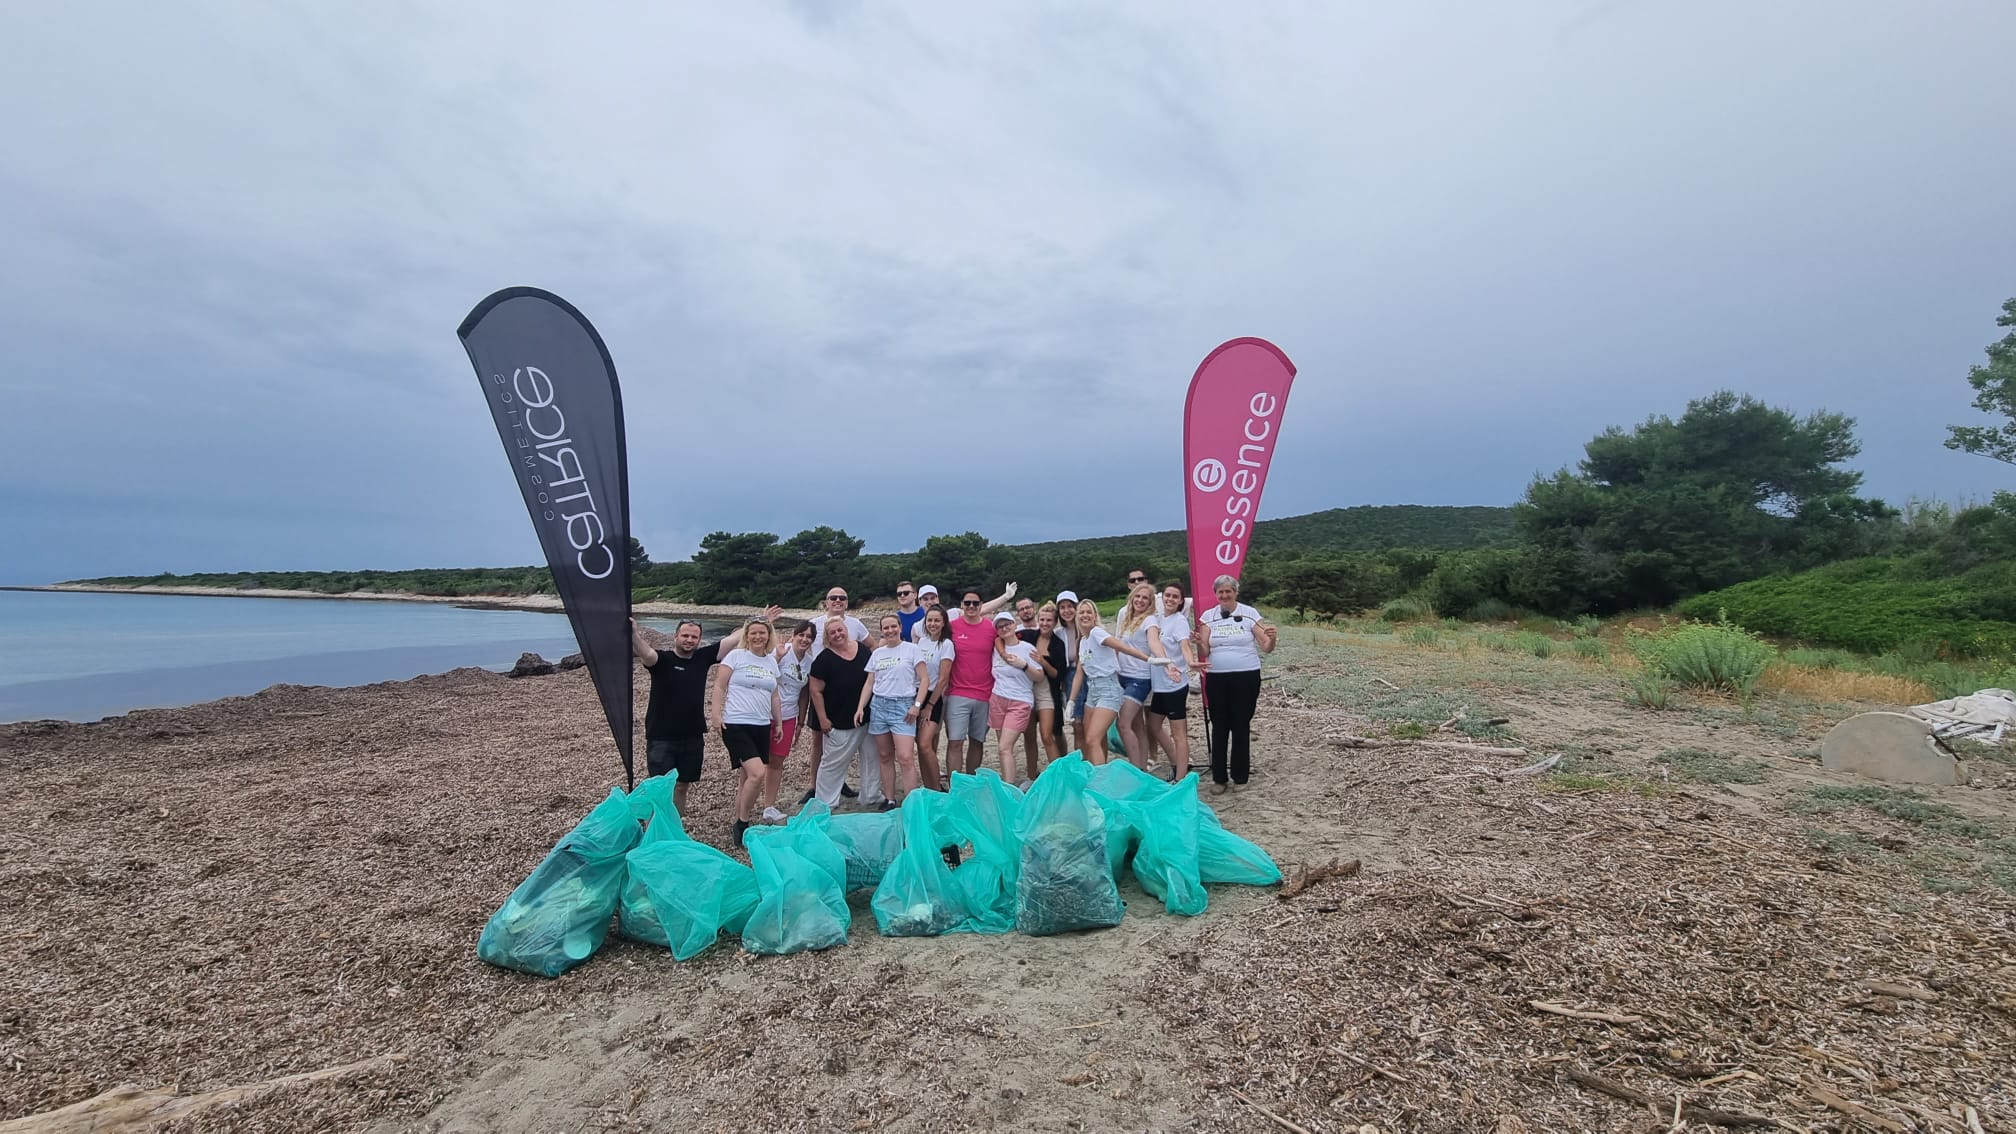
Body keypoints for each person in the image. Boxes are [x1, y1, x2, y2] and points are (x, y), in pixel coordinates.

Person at [630, 613, 769, 815]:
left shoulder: (702, 658)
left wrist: (761, 621)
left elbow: (732, 639)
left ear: (699, 639)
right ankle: (655, 829)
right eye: (685, 635)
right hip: (661, 736)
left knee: (682, 786)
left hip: (693, 735)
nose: (689, 640)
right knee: (660, 788)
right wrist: (633, 634)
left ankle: (676, 825)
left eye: (694, 637)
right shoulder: (662, 660)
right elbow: (646, 653)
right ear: (675, 636)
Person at [1195, 574, 1277, 795]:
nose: (1224, 595)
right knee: (1219, 725)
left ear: (1236, 592)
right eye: (1220, 592)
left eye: (1228, 591)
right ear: (1216, 594)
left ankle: (1240, 776)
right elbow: (1204, 652)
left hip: (1246, 675)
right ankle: (1219, 778)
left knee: (1241, 725)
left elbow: (1266, 646)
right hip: (1217, 677)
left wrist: (1273, 636)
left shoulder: (1249, 613)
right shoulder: (1208, 616)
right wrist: (1199, 643)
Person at [710, 618, 783, 842]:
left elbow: (774, 694)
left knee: (746, 777)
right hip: (736, 723)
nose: (758, 637)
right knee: (758, 773)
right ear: (747, 635)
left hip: (761, 724)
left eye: (763, 633)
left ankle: (738, 815)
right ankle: (742, 823)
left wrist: (778, 722)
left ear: (769, 636)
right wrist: (715, 714)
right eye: (754, 633)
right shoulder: (736, 656)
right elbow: (720, 685)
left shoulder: (771, 662)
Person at [1066, 600, 1158, 765]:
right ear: (1077, 617)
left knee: (1092, 739)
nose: (1085, 615)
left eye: (1089, 612)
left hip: (1108, 688)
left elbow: (1123, 647)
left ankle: (1101, 782)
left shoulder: (1097, 633)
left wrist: (1149, 659)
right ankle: (1097, 772)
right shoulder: (1083, 641)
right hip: (1092, 690)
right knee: (1093, 739)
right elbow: (1079, 674)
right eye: (1082, 612)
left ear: (1095, 616)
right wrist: (1071, 701)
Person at [942, 583, 1019, 775]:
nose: (971, 606)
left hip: (986, 695)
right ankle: (955, 785)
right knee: (955, 742)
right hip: (957, 693)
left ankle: (971, 781)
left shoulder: (990, 628)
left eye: (975, 603)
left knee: (977, 741)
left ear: (980, 605)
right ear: (961, 605)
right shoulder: (952, 627)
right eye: (967, 603)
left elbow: (1009, 640)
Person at [809, 618, 880, 807]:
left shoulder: (862, 649)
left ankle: (871, 795)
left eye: (840, 630)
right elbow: (815, 691)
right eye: (832, 633)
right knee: (833, 763)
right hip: (838, 720)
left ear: (846, 630)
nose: (837, 634)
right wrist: (823, 719)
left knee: (872, 758)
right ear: (828, 637)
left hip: (868, 716)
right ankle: (825, 802)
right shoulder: (823, 659)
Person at [1113, 582, 1182, 771]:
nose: (1140, 600)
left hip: (1139, 679)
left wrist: (1166, 662)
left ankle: (1135, 768)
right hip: (1123, 676)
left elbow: (1154, 643)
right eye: (1138, 596)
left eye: (1145, 598)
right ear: (1132, 597)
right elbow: (1118, 646)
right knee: (1137, 725)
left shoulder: (1149, 621)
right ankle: (1142, 767)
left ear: (1151, 602)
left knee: (1123, 723)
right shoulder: (1127, 618)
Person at [861, 614, 927, 805]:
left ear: (899, 627)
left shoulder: (912, 650)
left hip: (903, 706)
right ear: (881, 630)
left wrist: (917, 706)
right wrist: (860, 707)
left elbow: (924, 679)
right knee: (884, 755)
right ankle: (890, 799)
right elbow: (869, 683)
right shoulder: (877, 653)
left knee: (906, 757)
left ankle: (912, 802)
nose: (890, 631)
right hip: (879, 706)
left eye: (893, 626)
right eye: (886, 628)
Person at [762, 619, 818, 820]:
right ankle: (746, 804)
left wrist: (800, 722)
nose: (804, 639)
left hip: (789, 715)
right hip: (764, 713)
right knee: (757, 762)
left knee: (777, 761)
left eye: (809, 637)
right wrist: (777, 656)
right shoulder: (781, 651)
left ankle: (769, 805)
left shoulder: (809, 663)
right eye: (801, 635)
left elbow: (805, 693)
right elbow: (764, 673)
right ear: (794, 635)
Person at [1145, 583, 1198, 781]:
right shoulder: (1157, 619)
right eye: (1167, 595)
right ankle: (1177, 762)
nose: (1170, 599)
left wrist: (1191, 661)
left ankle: (1181, 777)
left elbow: (1185, 645)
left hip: (1175, 684)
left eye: (1175, 597)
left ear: (1181, 601)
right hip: (1159, 685)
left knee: (1178, 733)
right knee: (1153, 724)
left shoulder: (1180, 621)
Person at [988, 613, 1045, 784]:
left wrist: (1025, 665)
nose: (1004, 628)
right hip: (997, 698)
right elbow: (998, 642)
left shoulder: (1027, 648)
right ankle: (1008, 782)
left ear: (1014, 625)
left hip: (1020, 701)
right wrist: (1004, 654)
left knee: (1004, 747)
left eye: (1007, 624)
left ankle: (1008, 788)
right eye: (1000, 626)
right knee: (1003, 748)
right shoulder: (997, 647)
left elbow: (1039, 676)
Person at [1022, 604, 1068, 775]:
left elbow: (1058, 674)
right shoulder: (1028, 636)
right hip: (1026, 689)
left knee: (1048, 734)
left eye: (1049, 620)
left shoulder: (1057, 644)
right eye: (1042, 619)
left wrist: (1043, 661)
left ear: (1055, 622)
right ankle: (1032, 774)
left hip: (1047, 690)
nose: (1045, 623)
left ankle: (1059, 773)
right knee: (1028, 735)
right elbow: (1003, 636)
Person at [914, 606, 956, 790]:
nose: (932, 624)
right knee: (920, 745)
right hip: (916, 693)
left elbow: (943, 678)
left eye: (936, 620)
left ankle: (938, 786)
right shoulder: (921, 642)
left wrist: (930, 705)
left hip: (933, 697)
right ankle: (929, 786)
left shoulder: (946, 644)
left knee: (924, 744)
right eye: (929, 620)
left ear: (943, 623)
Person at [1054, 591, 1083, 752]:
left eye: (1070, 606)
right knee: (1077, 723)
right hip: (1071, 677)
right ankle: (1080, 762)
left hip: (1091, 676)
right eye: (1062, 607)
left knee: (1091, 724)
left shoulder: (1087, 627)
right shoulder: (1059, 633)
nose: (1067, 611)